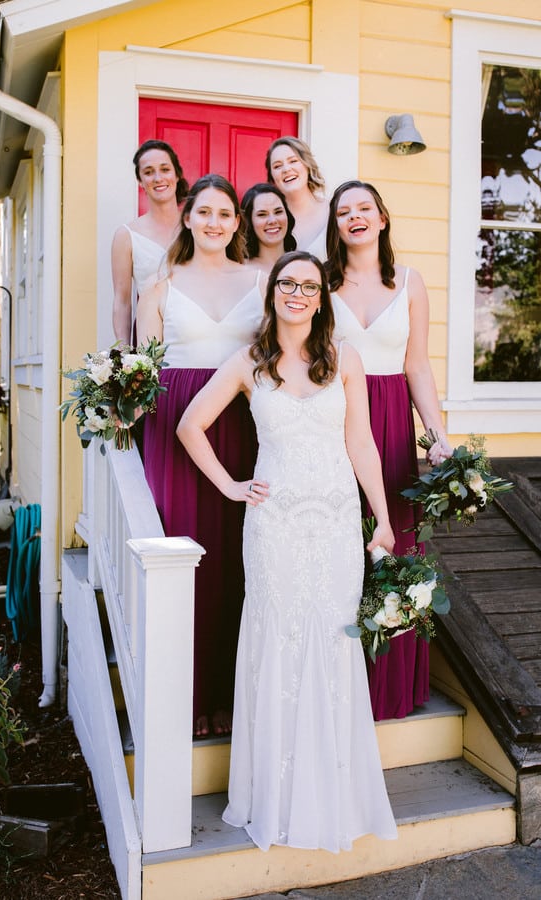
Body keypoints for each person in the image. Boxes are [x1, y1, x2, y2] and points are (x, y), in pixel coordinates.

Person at [177, 250, 398, 852]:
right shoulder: (250, 362)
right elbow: (190, 425)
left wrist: (380, 518)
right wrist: (230, 485)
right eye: (286, 283)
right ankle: (275, 796)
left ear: (322, 297)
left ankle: (334, 795)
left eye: (308, 285)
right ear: (272, 292)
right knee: (279, 639)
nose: (297, 293)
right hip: (273, 525)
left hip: (333, 522)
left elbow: (362, 444)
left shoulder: (344, 360)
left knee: (331, 640)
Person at [136, 174, 265, 738]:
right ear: (187, 218)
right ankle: (183, 699)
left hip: (241, 429)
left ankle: (231, 695)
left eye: (225, 214)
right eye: (204, 212)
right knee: (182, 563)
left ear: (237, 223)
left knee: (239, 565)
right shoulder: (160, 285)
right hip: (174, 434)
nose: (215, 222)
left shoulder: (261, 281)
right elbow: (142, 374)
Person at [326, 180, 453, 721]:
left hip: (395, 429)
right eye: (343, 212)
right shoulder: (322, 283)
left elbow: (417, 366)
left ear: (381, 218)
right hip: (336, 424)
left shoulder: (410, 282)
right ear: (336, 226)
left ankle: (390, 686)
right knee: (340, 546)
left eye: (364, 208)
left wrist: (437, 436)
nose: (354, 217)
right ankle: (338, 684)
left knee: (395, 548)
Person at [111, 139, 188, 344]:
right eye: (148, 172)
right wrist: (124, 353)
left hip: (193, 334)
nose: (158, 178)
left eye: (165, 169)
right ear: (140, 181)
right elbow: (122, 302)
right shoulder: (126, 235)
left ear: (177, 174)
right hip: (149, 337)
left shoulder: (194, 226)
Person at [265, 136, 328, 259]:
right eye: (277, 166)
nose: (286, 169)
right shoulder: (270, 221)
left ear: (307, 165)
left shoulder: (333, 211)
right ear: (272, 177)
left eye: (293, 161)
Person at [241, 182, 296, 277]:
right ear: (249, 222)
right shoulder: (240, 270)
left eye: (278, 212)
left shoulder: (303, 264)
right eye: (262, 214)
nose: (272, 220)